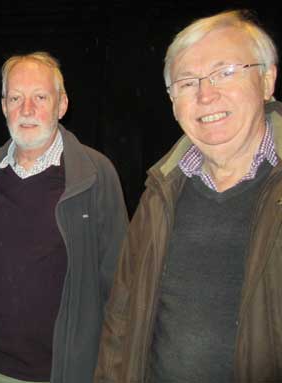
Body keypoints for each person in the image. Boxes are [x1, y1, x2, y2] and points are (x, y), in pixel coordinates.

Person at [94, 10, 282, 383]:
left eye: (225, 72)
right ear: (172, 101)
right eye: (187, 82)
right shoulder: (158, 193)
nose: (205, 94)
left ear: (266, 79)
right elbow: (122, 319)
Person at [0, 52, 128, 383]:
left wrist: (111, 370)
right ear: (4, 105)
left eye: (40, 97)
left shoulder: (95, 174)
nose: (27, 110)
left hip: (66, 372)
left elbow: (120, 288)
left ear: (62, 105)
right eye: (16, 98)